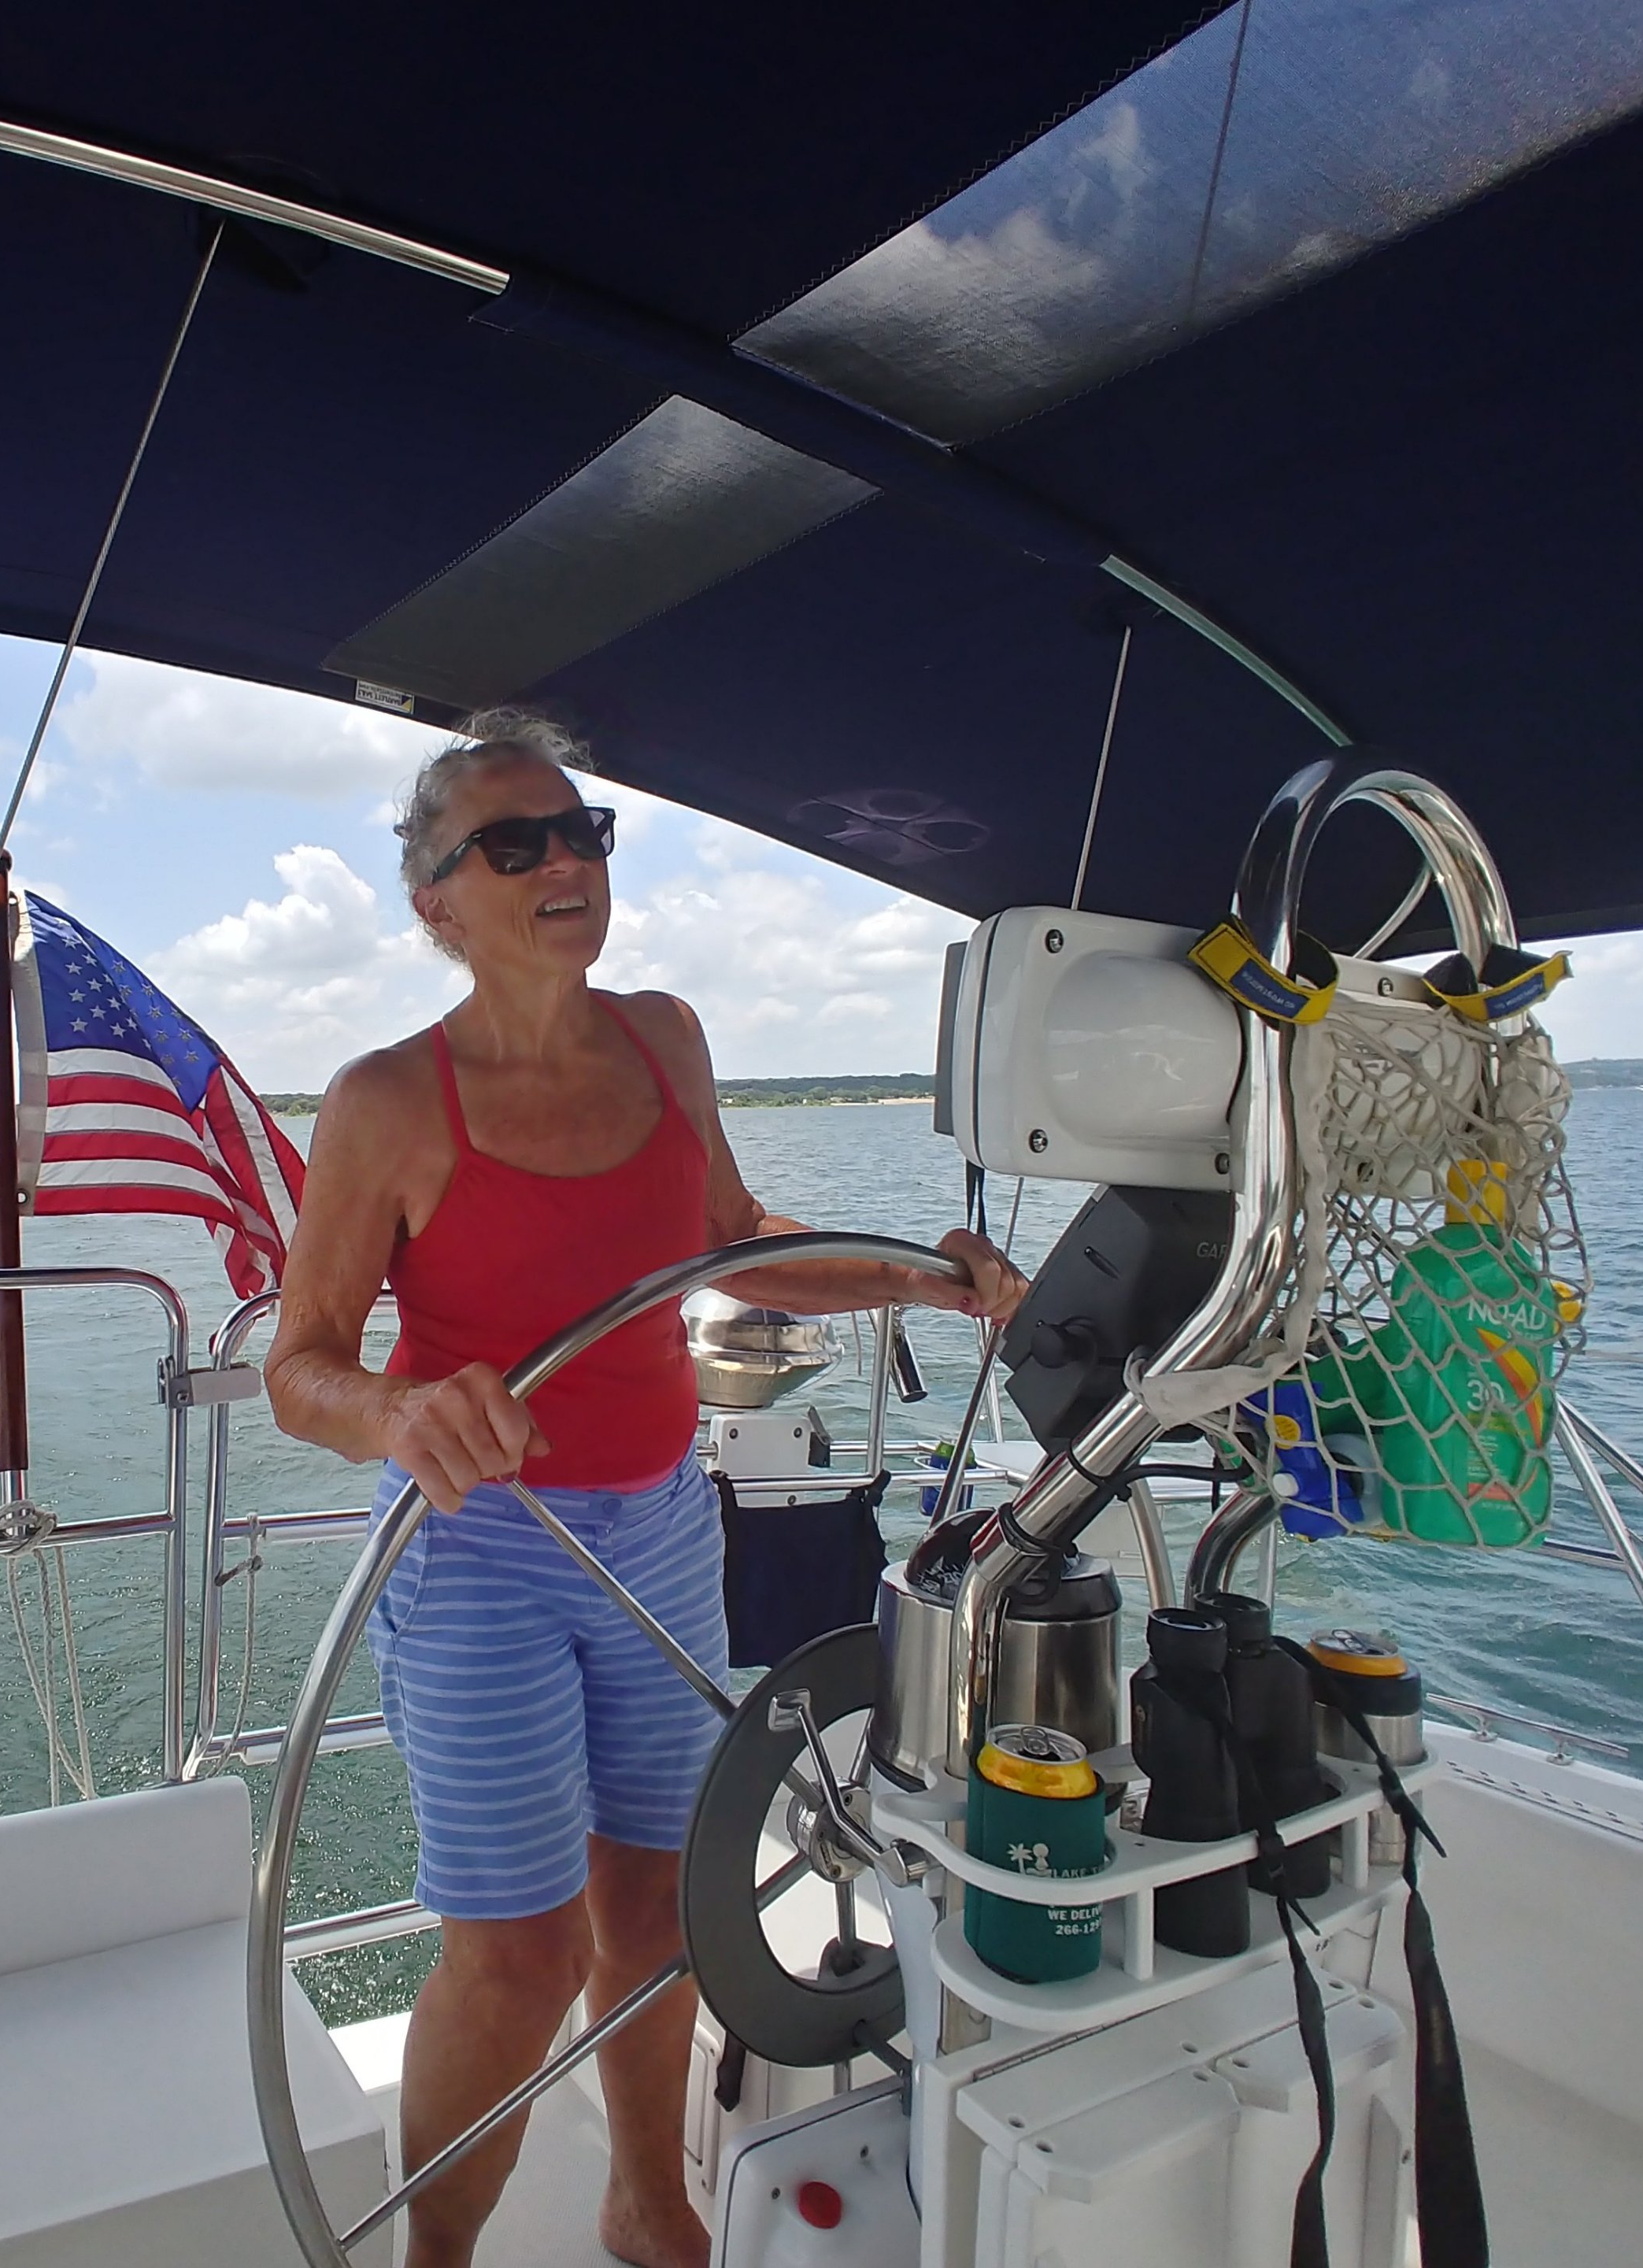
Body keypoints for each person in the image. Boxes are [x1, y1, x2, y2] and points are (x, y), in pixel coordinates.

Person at [266, 709, 1025, 2268]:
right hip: (482, 1549)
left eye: (582, 831)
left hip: (666, 1528)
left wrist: (919, 1277)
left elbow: (731, 1240)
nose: (565, 860)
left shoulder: (668, 1037)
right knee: (518, 1954)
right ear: (435, 901)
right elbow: (301, 1365)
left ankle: (647, 2197)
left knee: (661, 1905)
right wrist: (399, 1408)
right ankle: (433, 2256)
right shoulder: (386, 1101)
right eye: (515, 842)